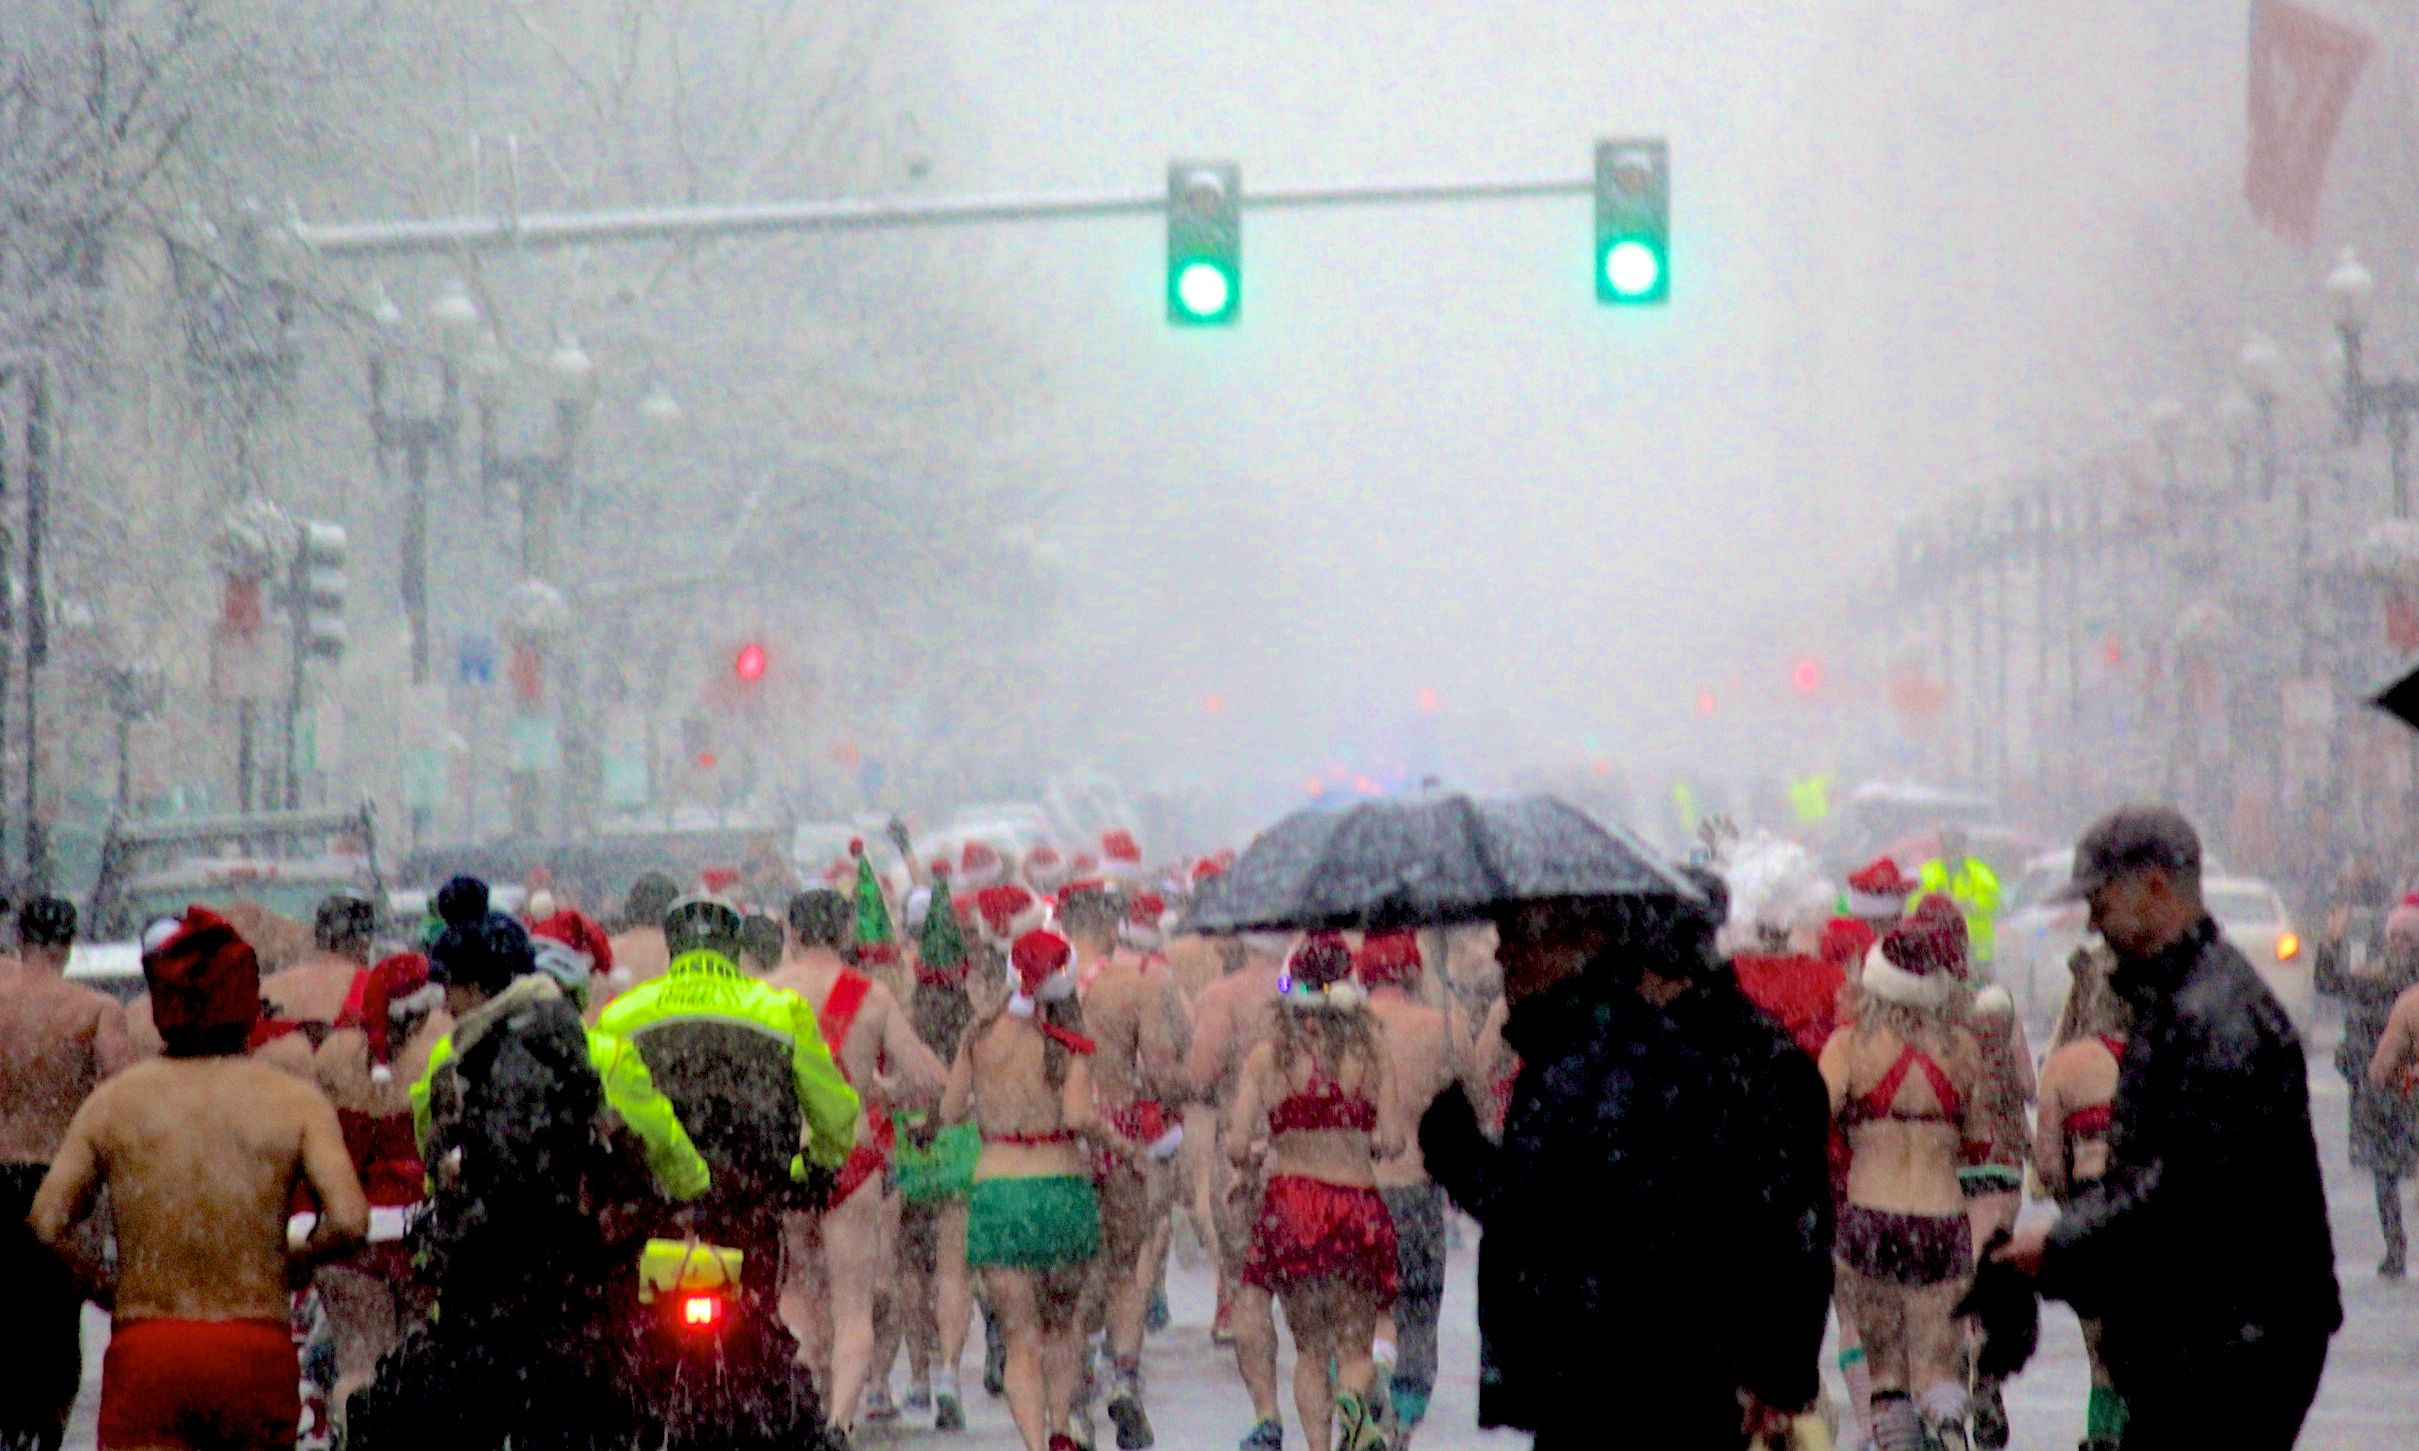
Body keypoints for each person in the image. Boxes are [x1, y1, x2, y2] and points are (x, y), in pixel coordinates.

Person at [1999, 806, 2341, 1451]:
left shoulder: (2212, 1015)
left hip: (2232, 1341)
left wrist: (2059, 1250)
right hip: (2214, 1330)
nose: (2093, 924)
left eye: (2100, 902)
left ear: (2155, 888)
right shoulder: (2184, 997)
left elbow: (2185, 1189)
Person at [1419, 891, 1765, 1450]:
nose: (1504, 955)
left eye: (1522, 937)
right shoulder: (1607, 1042)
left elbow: (1549, 1217)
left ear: (1583, 943)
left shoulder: (1591, 1056)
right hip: (1636, 1371)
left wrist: (1458, 1152)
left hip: (1613, 1378)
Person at [31, 906, 369, 1451]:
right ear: (245, 999)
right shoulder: (292, 1102)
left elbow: (47, 1221)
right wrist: (297, 1259)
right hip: (252, 1344)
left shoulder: (114, 1103)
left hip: (149, 1346)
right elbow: (350, 1220)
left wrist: (100, 1283)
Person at [352, 882, 632, 1451]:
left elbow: (510, 1178)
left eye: (451, 986)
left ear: (480, 987)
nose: (444, 1002)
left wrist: (460, 1198)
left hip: (515, 1290)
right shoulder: (530, 1036)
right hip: (545, 1287)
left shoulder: (512, 1055)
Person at [597, 892, 858, 1449]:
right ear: (736, 949)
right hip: (749, 1205)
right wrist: (817, 1168)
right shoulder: (779, 1011)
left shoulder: (622, 1015)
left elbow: (611, 1112)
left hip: (658, 1214)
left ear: (672, 950)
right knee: (761, 1334)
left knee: (632, 1340)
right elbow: (836, 1114)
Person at [1656, 870, 1834, 1448]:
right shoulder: (1770, 1055)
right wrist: (1786, 1376)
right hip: (1730, 1361)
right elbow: (1804, 1229)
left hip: (1670, 1362)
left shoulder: (1644, 1063)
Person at [766, 887, 947, 1437]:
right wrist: (878, 1092)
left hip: (790, 1157)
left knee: (798, 1288)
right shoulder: (871, 997)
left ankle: (802, 1387)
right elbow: (930, 1079)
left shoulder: (766, 993)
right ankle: (840, 1419)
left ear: (792, 932)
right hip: (854, 1155)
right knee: (852, 1305)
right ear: (846, 933)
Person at [941, 928, 1125, 1451]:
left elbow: (950, 1111)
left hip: (999, 1191)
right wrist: (1119, 1143)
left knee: (1019, 1337)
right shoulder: (1069, 1043)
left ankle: (1034, 1441)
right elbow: (1078, 1116)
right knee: (1063, 1327)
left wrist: (988, 1101)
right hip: (1060, 1188)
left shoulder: (979, 1036)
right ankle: (1062, 1427)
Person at [1818, 895, 1990, 1451]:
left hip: (1871, 1216)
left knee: (1887, 1370)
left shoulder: (1849, 1046)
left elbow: (1813, 1118)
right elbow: (1979, 1137)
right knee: (1939, 1360)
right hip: (1941, 1218)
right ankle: (1948, 1426)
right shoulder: (1962, 1049)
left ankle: (1897, 1439)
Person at [1227, 933, 1399, 1451]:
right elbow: (1393, 1140)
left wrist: (1260, 1153)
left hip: (1292, 1205)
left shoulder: (1267, 1058)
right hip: (1355, 1202)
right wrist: (1358, 1137)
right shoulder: (1372, 1054)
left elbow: (1235, 1144)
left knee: (1309, 1349)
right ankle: (1352, 1401)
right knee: (1354, 1347)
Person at [1, 895, 134, 1451]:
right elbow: (123, 1096)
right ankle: (45, 1428)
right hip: (58, 1176)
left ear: (19, 939)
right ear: (69, 944)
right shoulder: (94, 1009)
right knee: (56, 1313)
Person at [1063, 881, 1191, 1451]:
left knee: (1070, 1278)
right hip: (1118, 1133)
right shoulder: (1136, 982)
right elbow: (1161, 1070)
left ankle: (1073, 1403)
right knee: (1123, 1269)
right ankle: (1122, 1375)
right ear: (1113, 927)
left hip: (1061, 1138)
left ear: (1065, 923)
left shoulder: (1040, 983)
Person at [1356, 930, 1457, 1450]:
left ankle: (1357, 1389)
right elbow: (1472, 1101)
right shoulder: (1439, 1027)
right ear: (1412, 973)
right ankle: (1406, 1409)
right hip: (1416, 1188)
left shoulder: (1343, 1030)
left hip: (1356, 1188)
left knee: (1354, 1306)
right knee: (1417, 1306)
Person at [2032, 942, 2132, 1451]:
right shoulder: (2169, 1051)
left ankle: (2102, 1432)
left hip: (2092, 1199)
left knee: (2100, 1341)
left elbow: (2048, 1165)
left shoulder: (2067, 1063)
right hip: (2152, 1201)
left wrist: (2069, 1201)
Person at [1182, 929, 1294, 1355]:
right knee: (1305, 1275)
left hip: (1239, 1143)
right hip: (1300, 1144)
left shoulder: (1224, 995)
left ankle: (1256, 1367)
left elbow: (1199, 1075)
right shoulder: (1298, 988)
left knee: (1244, 1275)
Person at [2317, 891, 2419, 1277]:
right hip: (2375, 1087)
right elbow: (2330, 983)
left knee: (2389, 1168)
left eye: (2408, 936)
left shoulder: (2392, 982)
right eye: (2395, 935)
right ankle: (2395, 1246)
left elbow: (2335, 983)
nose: (2399, 943)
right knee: (2384, 1172)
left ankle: (2396, 1247)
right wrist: (2331, 943)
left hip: (2398, 1086)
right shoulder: (2374, 975)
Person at [1920, 828, 2002, 969]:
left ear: (1963, 846)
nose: (1951, 848)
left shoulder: (1979, 872)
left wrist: (1969, 905)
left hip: (1977, 951)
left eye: (1955, 844)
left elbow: (1994, 899)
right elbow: (1914, 902)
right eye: (1948, 843)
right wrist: (1937, 904)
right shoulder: (1928, 872)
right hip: (1939, 948)